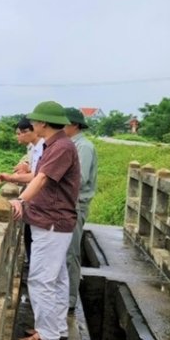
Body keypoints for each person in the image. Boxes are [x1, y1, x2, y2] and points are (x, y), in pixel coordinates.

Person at [11, 101, 80, 340]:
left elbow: (41, 178)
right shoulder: (57, 145)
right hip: (54, 220)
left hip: (52, 221)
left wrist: (20, 200)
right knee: (57, 277)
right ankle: (55, 328)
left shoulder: (60, 147)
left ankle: (48, 334)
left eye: (35, 122)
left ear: (42, 123)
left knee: (41, 278)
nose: (32, 125)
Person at [64, 107, 98, 313]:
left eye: (63, 124)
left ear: (74, 125)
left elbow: (79, 179)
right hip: (68, 204)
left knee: (70, 252)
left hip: (75, 205)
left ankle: (70, 298)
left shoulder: (83, 147)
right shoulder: (71, 145)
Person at [0, 117, 44, 264]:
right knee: (31, 238)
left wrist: (20, 199)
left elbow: (39, 177)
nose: (17, 137)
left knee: (38, 245)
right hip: (37, 203)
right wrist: (11, 177)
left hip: (43, 206)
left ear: (31, 131)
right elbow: (36, 174)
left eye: (19, 133)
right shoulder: (34, 148)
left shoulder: (44, 147)